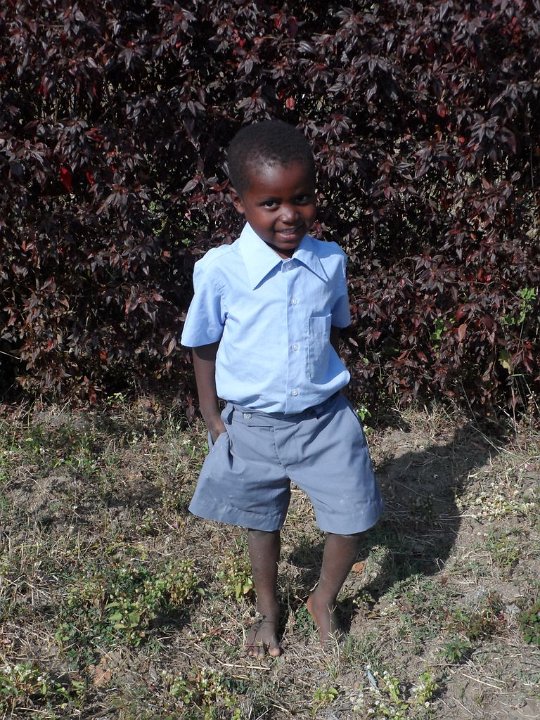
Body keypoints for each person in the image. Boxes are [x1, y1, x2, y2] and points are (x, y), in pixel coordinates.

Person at [181, 119, 383, 658]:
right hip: (252, 425)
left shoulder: (329, 261)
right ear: (240, 202)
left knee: (353, 514)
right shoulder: (222, 270)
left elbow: (332, 327)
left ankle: (323, 600)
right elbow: (203, 343)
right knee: (261, 522)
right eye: (270, 203)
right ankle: (268, 612)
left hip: (325, 420)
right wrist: (211, 414)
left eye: (301, 198)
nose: (289, 214)